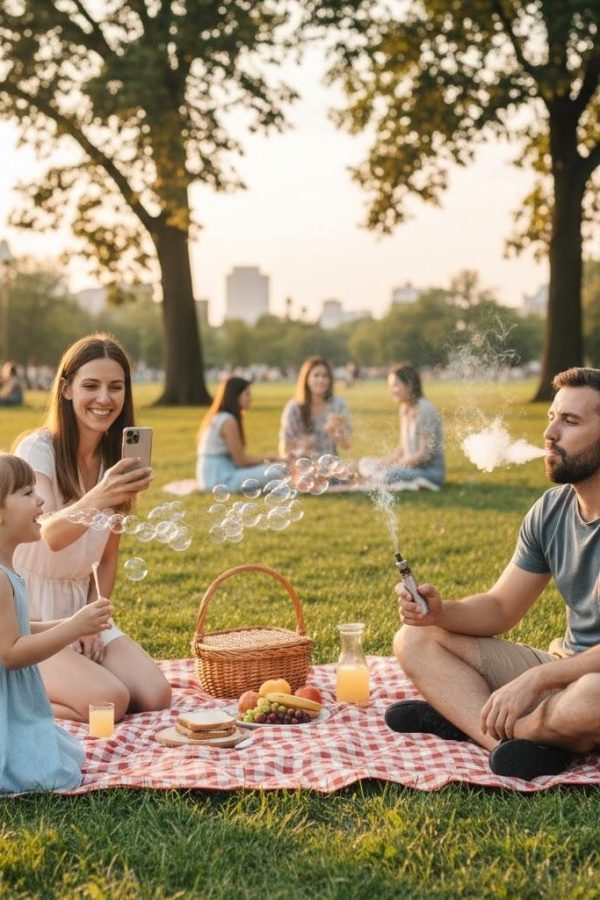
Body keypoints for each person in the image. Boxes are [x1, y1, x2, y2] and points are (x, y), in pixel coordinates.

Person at [386, 367, 600, 780]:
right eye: (551, 417)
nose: (550, 433)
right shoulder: (551, 510)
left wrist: (538, 678)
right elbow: (502, 607)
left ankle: (475, 720)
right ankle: (508, 742)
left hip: (586, 685)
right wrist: (439, 613)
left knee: (593, 696)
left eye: (570, 421)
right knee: (414, 639)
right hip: (566, 672)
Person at [12, 333, 171, 723]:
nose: (104, 398)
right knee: (110, 701)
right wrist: (101, 493)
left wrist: (89, 621)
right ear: (66, 389)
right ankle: (11, 703)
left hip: (78, 606)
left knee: (155, 694)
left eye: (115, 387)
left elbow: (108, 557)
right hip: (29, 617)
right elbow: (49, 533)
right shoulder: (38, 449)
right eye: (91, 385)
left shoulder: (115, 459)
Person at [0, 453, 114, 792]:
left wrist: (68, 621)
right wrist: (74, 628)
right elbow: (11, 652)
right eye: (25, 493)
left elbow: (18, 630)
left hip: (16, 697)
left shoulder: (8, 572)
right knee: (46, 774)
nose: (40, 500)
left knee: (59, 751)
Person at [359, 363, 444, 488]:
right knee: (365, 462)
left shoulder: (425, 410)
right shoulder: (404, 409)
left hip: (428, 473)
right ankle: (377, 475)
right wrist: (384, 462)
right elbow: (402, 447)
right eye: (390, 386)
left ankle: (377, 477)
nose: (391, 391)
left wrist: (396, 466)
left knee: (389, 474)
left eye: (395, 386)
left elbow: (424, 454)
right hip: (408, 468)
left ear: (409, 385)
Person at [196, 376, 278, 492]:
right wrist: (272, 458)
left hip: (212, 476)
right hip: (221, 479)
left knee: (273, 469)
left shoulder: (219, 417)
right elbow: (241, 461)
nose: (250, 399)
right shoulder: (228, 421)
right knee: (277, 471)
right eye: (247, 394)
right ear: (235, 396)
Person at [278, 357, 352, 459]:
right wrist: (302, 445)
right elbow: (285, 450)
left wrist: (336, 432)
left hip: (330, 466)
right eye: (316, 375)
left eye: (325, 376)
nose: (321, 380)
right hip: (302, 467)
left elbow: (346, 444)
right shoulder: (294, 408)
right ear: (306, 378)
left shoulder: (338, 404)